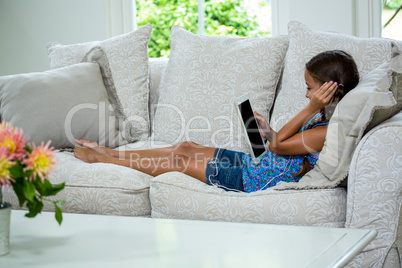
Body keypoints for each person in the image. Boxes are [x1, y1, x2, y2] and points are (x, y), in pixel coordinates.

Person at [74, 50, 360, 193]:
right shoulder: (320, 118)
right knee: (185, 146)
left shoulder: (326, 129)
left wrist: (309, 108)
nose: (306, 93)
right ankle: (112, 152)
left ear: (329, 91)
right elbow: (281, 143)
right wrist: (268, 131)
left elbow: (280, 148)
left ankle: (102, 160)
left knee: (179, 162)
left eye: (311, 88)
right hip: (257, 163)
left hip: (252, 179)